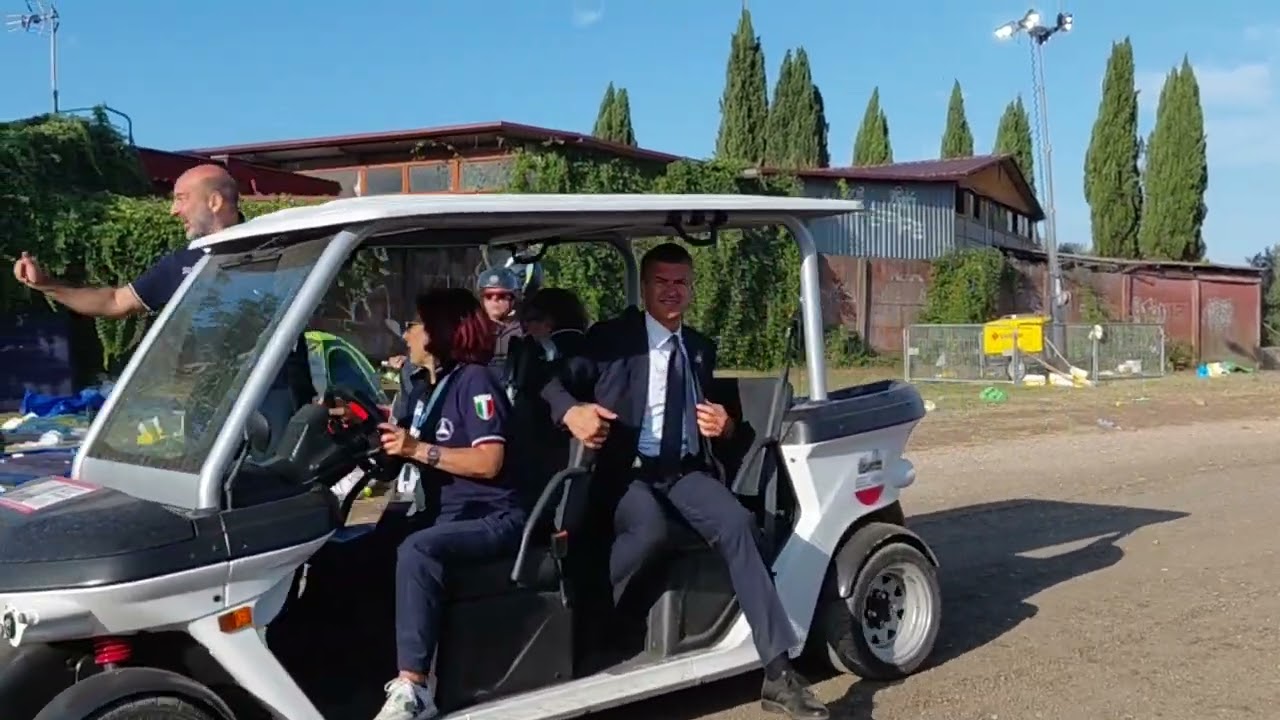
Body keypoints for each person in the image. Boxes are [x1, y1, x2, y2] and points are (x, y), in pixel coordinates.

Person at [541, 243, 829, 720]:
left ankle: (778, 673)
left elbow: (710, 412)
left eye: (680, 283)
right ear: (645, 288)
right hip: (625, 474)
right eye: (662, 282)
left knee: (738, 524)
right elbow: (551, 383)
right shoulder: (614, 340)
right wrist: (572, 411)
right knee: (649, 527)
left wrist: (728, 425)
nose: (671, 292)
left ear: (691, 289)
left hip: (684, 471)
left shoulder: (697, 348)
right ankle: (590, 620)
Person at [11, 163, 315, 449]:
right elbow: (115, 302)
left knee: (273, 487)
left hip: (273, 396)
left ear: (214, 202)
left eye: (181, 199)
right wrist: (47, 284)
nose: (173, 210)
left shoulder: (278, 250)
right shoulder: (183, 263)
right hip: (205, 401)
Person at [372, 288, 525, 720]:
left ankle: (415, 688)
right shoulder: (426, 387)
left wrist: (418, 450)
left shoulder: (476, 381)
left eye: (415, 324)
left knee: (418, 549)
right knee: (361, 540)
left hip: (491, 514)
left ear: (440, 331)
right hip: (445, 510)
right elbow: (405, 439)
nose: (408, 334)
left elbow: (489, 461)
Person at [476, 266, 524, 380]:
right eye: (488, 296)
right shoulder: (474, 331)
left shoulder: (524, 330)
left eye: (502, 296)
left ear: (513, 299)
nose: (495, 300)